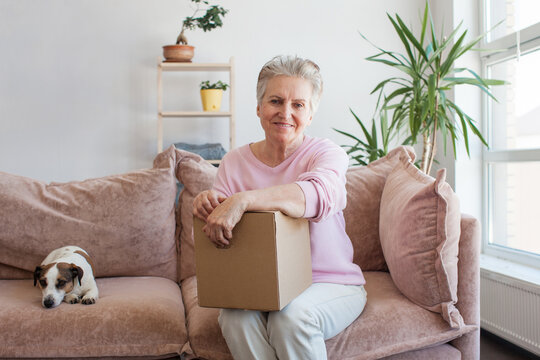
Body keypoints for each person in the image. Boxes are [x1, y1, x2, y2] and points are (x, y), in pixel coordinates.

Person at [193, 55, 367, 360]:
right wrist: (207, 206)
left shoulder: (327, 154)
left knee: (291, 316)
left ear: (310, 114)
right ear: (259, 108)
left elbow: (317, 195)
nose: (285, 113)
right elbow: (218, 228)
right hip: (258, 284)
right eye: (275, 101)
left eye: (298, 104)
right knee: (234, 317)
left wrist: (244, 199)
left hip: (329, 281)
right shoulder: (234, 161)